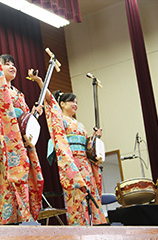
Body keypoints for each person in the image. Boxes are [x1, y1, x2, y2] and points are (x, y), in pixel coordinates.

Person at [0, 17, 44, 224]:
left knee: (29, 179)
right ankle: (12, 223)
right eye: (6, 63)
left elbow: (24, 122)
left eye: (13, 63)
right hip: (2, 141)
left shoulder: (19, 94)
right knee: (8, 181)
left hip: (21, 143)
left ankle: (28, 217)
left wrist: (34, 113)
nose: (12, 66)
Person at [28, 70, 106, 225]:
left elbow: (87, 147)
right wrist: (39, 81)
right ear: (62, 104)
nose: (75, 104)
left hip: (85, 164)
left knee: (91, 195)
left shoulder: (80, 125)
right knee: (76, 195)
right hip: (72, 162)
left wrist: (94, 138)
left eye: (76, 102)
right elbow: (50, 103)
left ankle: (95, 227)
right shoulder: (61, 119)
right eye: (72, 101)